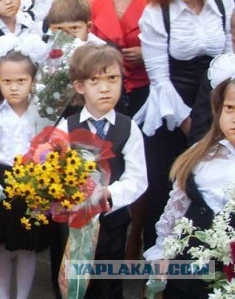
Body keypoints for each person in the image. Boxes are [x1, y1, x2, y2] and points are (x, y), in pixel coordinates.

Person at [135, 0, 234, 253]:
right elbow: (159, 79)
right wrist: (191, 125)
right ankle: (158, 269)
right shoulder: (155, 13)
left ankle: (211, 257)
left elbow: (230, 55)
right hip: (172, 110)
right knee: (167, 185)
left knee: (213, 186)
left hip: (218, 103)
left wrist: (220, 116)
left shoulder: (221, 0)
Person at [58, 44, 147, 298]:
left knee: (108, 283)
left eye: (112, 79)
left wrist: (107, 193)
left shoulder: (128, 129)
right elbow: (56, 171)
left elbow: (138, 178)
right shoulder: (68, 127)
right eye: (95, 81)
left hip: (112, 222)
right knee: (73, 282)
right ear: (80, 87)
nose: (105, 88)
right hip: (74, 222)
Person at [143, 57, 235, 297]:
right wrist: (163, 252)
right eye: (230, 108)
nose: (234, 117)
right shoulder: (201, 156)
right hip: (190, 274)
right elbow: (176, 209)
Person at [0, 38, 50, 299]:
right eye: (7, 81)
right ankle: (3, 295)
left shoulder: (41, 113)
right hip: (1, 179)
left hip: (32, 183)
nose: (14, 87)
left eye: (21, 81)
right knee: (2, 246)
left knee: (27, 247)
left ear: (33, 81)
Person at [91, 0, 150, 116]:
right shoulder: (94, 2)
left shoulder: (157, 0)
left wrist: (147, 52)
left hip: (146, 87)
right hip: (103, 88)